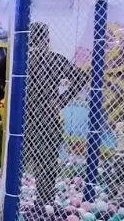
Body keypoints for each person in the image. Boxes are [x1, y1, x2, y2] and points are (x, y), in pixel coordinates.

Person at [24, 24, 88, 202]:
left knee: (22, 158)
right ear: (47, 40)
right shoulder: (54, 59)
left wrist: (5, 94)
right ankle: (45, 199)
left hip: (26, 114)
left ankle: (16, 198)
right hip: (47, 114)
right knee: (46, 160)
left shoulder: (23, 59)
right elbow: (81, 77)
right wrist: (61, 100)